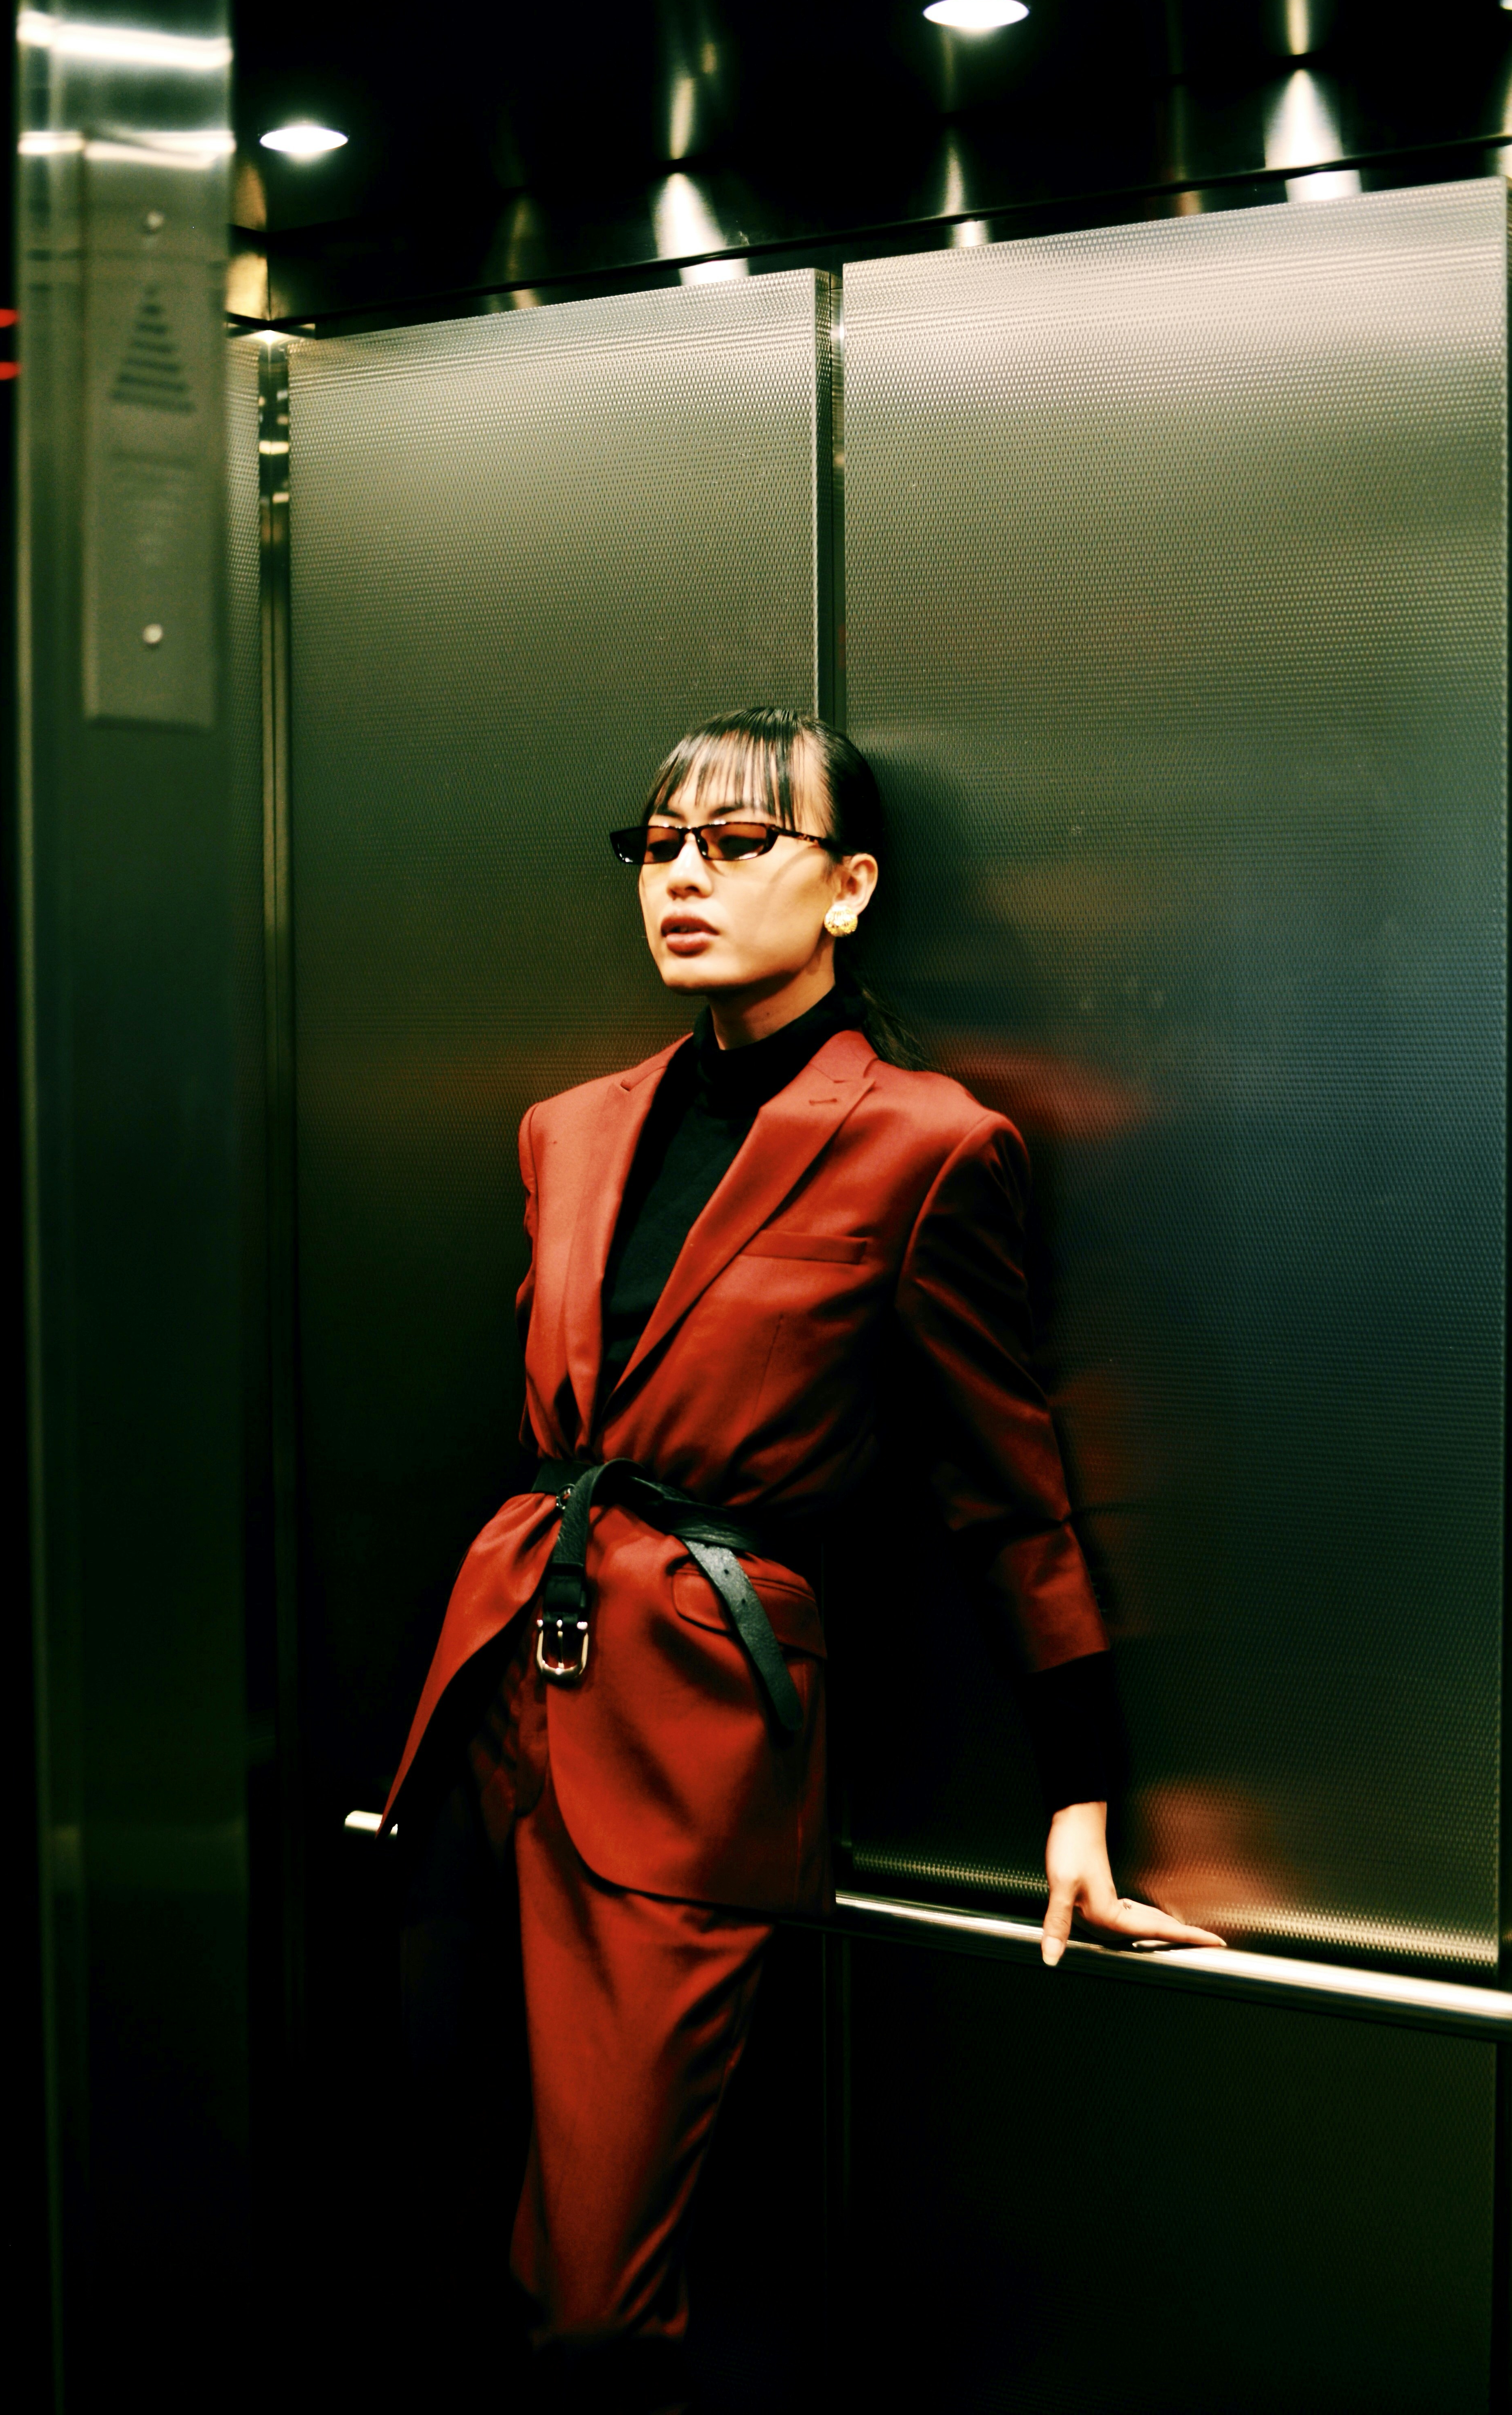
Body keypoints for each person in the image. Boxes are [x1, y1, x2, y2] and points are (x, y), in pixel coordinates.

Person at [383, 708, 1221, 2413]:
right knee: (460, 2233)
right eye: (658, 845)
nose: (683, 876)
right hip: (492, 1708)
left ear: (846, 890)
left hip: (698, 1728)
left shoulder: (923, 1143)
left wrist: (1076, 1793)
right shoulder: (571, 1128)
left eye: (737, 844)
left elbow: (1008, 1489)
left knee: (605, 2292)